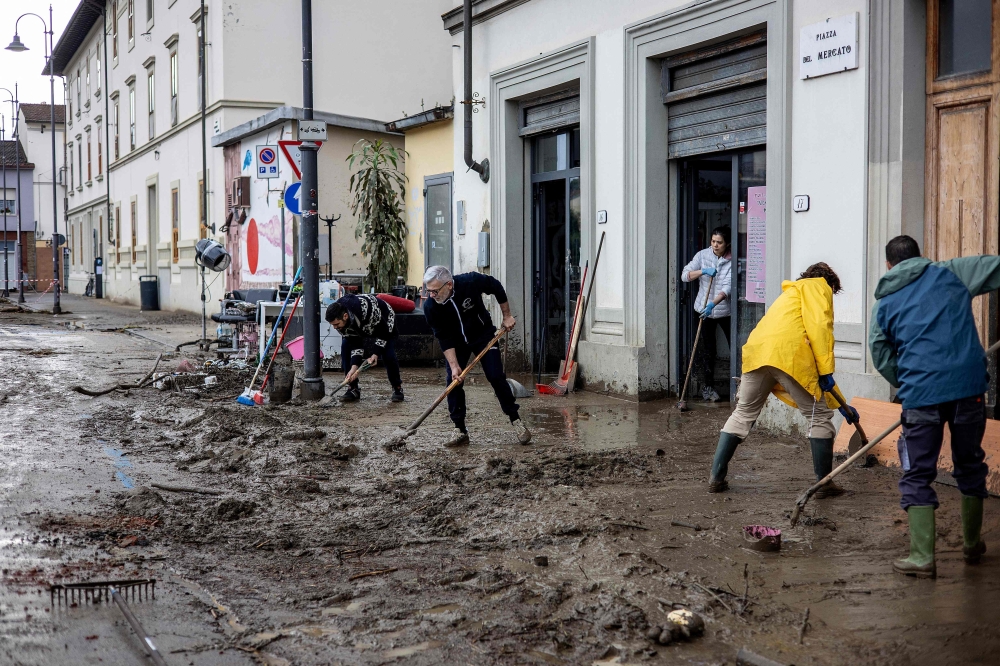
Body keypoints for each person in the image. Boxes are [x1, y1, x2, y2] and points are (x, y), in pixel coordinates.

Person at [870, 235, 998, 578]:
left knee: (918, 472)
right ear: (920, 257)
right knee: (970, 464)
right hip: (968, 389)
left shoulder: (884, 302)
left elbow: (881, 356)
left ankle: (922, 557)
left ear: (888, 266)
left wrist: (911, 380)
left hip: (921, 395)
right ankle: (972, 545)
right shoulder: (953, 272)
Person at [708, 262, 858, 495]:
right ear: (829, 283)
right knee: (818, 416)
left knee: (743, 412)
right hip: (788, 355)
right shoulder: (819, 287)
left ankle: (715, 478)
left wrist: (842, 404)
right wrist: (827, 370)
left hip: (758, 353)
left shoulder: (790, 295)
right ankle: (824, 484)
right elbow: (819, 328)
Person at [422, 265, 531, 447]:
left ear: (449, 284)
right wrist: (455, 365)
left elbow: (495, 286)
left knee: (495, 376)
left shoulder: (470, 281)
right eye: (428, 290)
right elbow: (443, 336)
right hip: (456, 344)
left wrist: (507, 316)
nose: (431, 295)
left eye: (434, 291)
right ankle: (459, 429)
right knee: (453, 381)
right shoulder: (431, 307)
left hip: (483, 336)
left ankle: (516, 420)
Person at [681, 226, 733, 402]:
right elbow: (685, 275)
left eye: (719, 242)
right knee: (708, 350)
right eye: (713, 241)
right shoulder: (702, 255)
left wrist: (713, 303)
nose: (715, 245)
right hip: (703, 310)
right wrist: (702, 271)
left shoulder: (731, 260)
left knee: (736, 349)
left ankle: (740, 387)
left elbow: (727, 287)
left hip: (724, 311)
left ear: (727, 244)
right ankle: (708, 388)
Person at [325, 293, 403, 403]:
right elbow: (356, 344)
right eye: (332, 325)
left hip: (383, 321)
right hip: (360, 324)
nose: (335, 327)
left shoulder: (367, 309)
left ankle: (397, 388)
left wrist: (375, 354)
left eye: (336, 324)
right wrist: (353, 369)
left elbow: (384, 332)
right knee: (346, 347)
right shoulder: (339, 322)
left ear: (345, 316)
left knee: (388, 354)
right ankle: (353, 388)